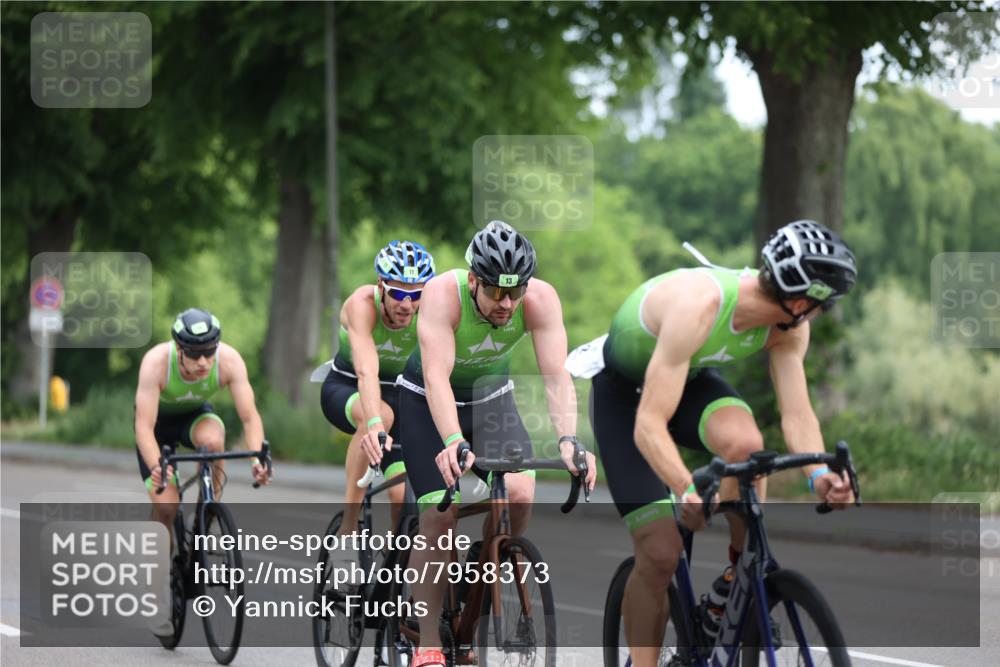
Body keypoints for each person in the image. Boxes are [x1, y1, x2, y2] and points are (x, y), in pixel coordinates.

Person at [586, 220, 857, 666]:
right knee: (660, 553)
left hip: (686, 379)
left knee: (747, 447)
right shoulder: (700, 306)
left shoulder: (789, 327)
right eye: (823, 304)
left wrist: (821, 476)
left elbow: (797, 413)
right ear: (801, 300)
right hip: (624, 398)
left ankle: (735, 583)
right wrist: (684, 487)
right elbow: (649, 424)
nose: (819, 315)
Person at [398, 220, 596, 667]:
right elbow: (436, 378)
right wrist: (452, 440)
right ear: (474, 281)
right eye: (497, 294)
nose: (508, 304)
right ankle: (427, 641)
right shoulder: (442, 295)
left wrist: (569, 439)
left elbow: (555, 375)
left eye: (515, 292)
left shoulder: (540, 300)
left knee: (521, 493)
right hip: (428, 402)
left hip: (491, 401)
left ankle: (479, 573)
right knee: (439, 512)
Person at [134, 308, 270, 634]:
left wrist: (257, 460)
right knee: (166, 505)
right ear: (179, 349)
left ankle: (208, 510)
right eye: (194, 354)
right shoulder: (156, 363)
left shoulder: (229, 361)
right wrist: (159, 469)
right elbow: (143, 426)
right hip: (156, 430)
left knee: (213, 440)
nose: (203, 362)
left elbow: (250, 418)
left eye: (209, 352)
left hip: (196, 418)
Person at [320, 241, 435, 536]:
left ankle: (394, 571)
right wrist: (372, 424)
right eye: (397, 293)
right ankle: (348, 528)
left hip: (400, 398)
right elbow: (366, 371)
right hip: (348, 387)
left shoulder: (432, 311)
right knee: (380, 416)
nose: (406, 305)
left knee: (401, 497)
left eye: (415, 295)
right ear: (380, 285)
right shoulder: (361, 305)